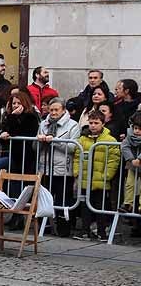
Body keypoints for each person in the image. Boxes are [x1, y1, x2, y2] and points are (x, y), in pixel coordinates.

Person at [74, 111, 121, 241]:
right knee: (84, 207)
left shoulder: (110, 140)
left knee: (100, 207)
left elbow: (113, 160)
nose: (93, 126)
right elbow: (77, 157)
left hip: (101, 179)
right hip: (85, 178)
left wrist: (107, 175)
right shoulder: (83, 139)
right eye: (91, 123)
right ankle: (85, 230)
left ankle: (101, 231)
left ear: (103, 124)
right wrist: (77, 171)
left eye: (96, 123)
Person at [36, 99, 80, 237]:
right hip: (45, 167)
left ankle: (63, 229)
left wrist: (54, 141)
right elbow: (34, 146)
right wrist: (39, 141)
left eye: (56, 110)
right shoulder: (43, 124)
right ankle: (44, 227)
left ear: (63, 110)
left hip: (63, 168)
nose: (53, 113)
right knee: (44, 199)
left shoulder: (73, 125)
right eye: (51, 110)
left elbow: (73, 147)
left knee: (63, 200)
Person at [120, 112, 141, 221]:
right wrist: (131, 159)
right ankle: (127, 203)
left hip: (139, 161)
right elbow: (124, 146)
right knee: (129, 184)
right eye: (136, 128)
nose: (137, 131)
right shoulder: (129, 135)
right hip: (132, 163)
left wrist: (139, 159)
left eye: (140, 129)